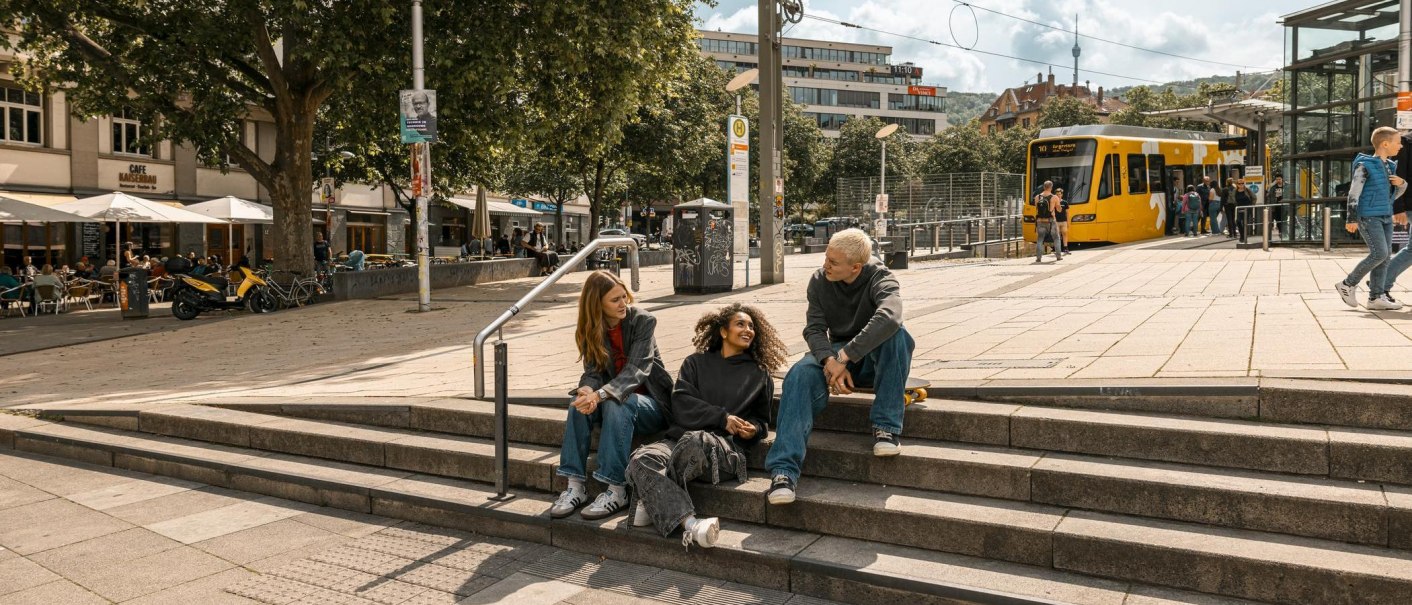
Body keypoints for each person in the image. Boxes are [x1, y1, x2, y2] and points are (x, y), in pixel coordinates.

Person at [764, 228, 914, 505]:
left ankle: (886, 428)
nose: (825, 265)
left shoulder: (881, 278)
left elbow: (891, 316)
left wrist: (846, 356)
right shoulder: (820, 281)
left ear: (855, 267)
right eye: (826, 257)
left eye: (833, 262)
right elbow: (814, 328)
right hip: (834, 356)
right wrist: (830, 361)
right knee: (798, 374)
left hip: (870, 357)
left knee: (898, 335)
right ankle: (783, 473)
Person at [626, 303, 787, 549]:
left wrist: (753, 430)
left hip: (725, 449)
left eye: (752, 326)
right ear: (723, 331)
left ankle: (649, 497)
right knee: (642, 457)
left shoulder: (759, 374)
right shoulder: (694, 363)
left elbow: (762, 421)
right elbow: (681, 403)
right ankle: (691, 524)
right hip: (677, 440)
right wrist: (723, 418)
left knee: (695, 440)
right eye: (740, 324)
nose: (748, 330)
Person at [553, 270, 671, 521]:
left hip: (652, 405)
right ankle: (575, 486)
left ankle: (617, 490)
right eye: (615, 300)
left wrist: (600, 394)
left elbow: (636, 371)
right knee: (577, 404)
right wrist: (587, 390)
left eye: (624, 296)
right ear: (598, 305)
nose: (624, 303)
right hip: (610, 404)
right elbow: (593, 371)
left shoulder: (643, 321)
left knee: (619, 400)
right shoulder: (591, 329)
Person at [1336, 126, 1408, 311]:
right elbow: (1354, 193)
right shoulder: (1364, 165)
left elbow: (1390, 196)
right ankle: (1348, 283)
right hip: (1368, 216)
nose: (1400, 146)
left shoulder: (1390, 166)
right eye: (1398, 142)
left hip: (1385, 216)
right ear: (1385, 144)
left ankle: (1376, 297)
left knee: (1384, 258)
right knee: (1379, 253)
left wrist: (1402, 185)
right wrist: (1351, 218)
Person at [1032, 181, 1062, 263]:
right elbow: (1059, 210)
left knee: (1040, 239)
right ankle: (1058, 256)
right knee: (1056, 238)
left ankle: (1038, 258)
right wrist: (1058, 203)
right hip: (1051, 221)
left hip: (1040, 221)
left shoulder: (1037, 197)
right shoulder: (1054, 197)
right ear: (1051, 187)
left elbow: (1037, 209)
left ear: (1044, 187)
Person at [1055, 187, 1072, 254]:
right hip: (1056, 221)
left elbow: (1067, 213)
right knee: (1057, 236)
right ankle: (1058, 250)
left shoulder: (1065, 202)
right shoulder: (1054, 202)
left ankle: (1066, 248)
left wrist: (1068, 222)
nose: (1058, 195)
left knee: (1065, 234)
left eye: (1059, 194)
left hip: (1064, 221)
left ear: (1062, 194)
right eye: (1057, 194)